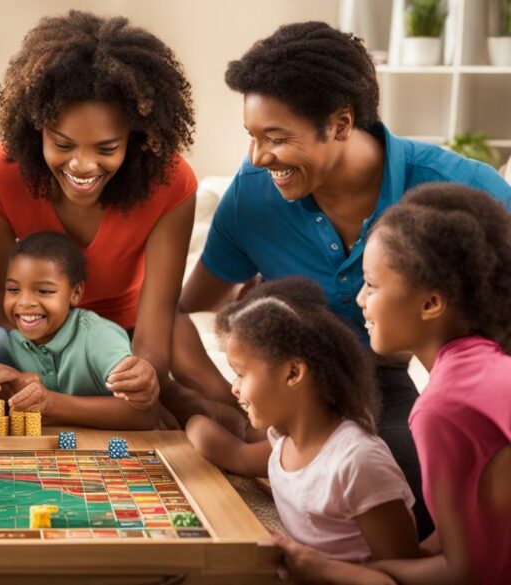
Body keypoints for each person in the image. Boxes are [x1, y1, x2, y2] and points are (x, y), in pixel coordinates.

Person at [174, 21, 511, 538]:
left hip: (400, 382)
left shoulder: (458, 191)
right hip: (313, 384)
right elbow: (187, 307)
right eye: (253, 137)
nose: (257, 158)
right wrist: (225, 395)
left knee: (406, 487)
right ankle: (268, 463)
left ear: (340, 123)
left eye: (277, 138)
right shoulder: (253, 194)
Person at [0, 11, 220, 425]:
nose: (82, 166)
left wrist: (147, 376)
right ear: (35, 130)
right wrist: (1, 368)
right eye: (63, 144)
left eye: (106, 148)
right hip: (37, 334)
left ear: (136, 140)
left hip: (128, 333)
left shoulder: (170, 182)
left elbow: (157, 316)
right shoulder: (1, 171)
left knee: (203, 397)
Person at [270, 184, 511, 584]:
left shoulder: (443, 408)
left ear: (431, 304)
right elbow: (477, 524)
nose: (361, 299)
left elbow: (466, 573)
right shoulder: (490, 362)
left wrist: (336, 569)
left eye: (373, 285)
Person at [186, 277, 419, 584]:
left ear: (293, 373)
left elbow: (402, 577)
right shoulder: (283, 442)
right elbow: (235, 454)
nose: (234, 387)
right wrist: (192, 417)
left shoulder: (358, 462)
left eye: (241, 374)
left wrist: (320, 568)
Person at [0, 232, 160, 429]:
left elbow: (143, 414)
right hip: (36, 455)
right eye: (13, 290)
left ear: (75, 293)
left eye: (44, 291)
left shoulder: (99, 336)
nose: (25, 303)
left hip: (100, 450)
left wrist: (50, 402)